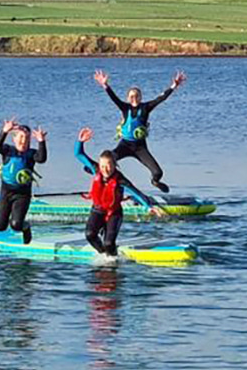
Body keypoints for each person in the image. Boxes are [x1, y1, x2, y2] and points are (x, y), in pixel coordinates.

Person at [93, 69, 185, 193]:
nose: (134, 98)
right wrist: (105, 85)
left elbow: (161, 98)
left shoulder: (146, 108)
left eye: (137, 96)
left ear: (140, 97)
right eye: (131, 96)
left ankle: (155, 181)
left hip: (140, 147)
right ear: (128, 98)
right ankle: (94, 170)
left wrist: (174, 86)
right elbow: (114, 98)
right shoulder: (125, 108)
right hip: (125, 145)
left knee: (158, 172)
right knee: (107, 159)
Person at [74, 127, 161, 257]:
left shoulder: (121, 180)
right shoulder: (95, 169)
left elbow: (136, 193)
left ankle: (112, 258)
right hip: (97, 210)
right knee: (89, 235)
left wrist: (148, 207)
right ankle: (103, 254)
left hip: (114, 213)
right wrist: (80, 142)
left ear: (114, 165)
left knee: (109, 243)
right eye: (103, 166)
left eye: (109, 165)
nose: (105, 169)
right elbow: (79, 154)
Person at [0, 118, 47, 244]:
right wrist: (4, 131)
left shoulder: (31, 154)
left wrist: (41, 141)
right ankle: (6, 219)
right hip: (6, 193)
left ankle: (26, 227)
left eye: (27, 139)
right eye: (21, 137)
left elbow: (42, 158)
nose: (24, 141)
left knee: (16, 225)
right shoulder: (7, 151)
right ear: (14, 139)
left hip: (22, 195)